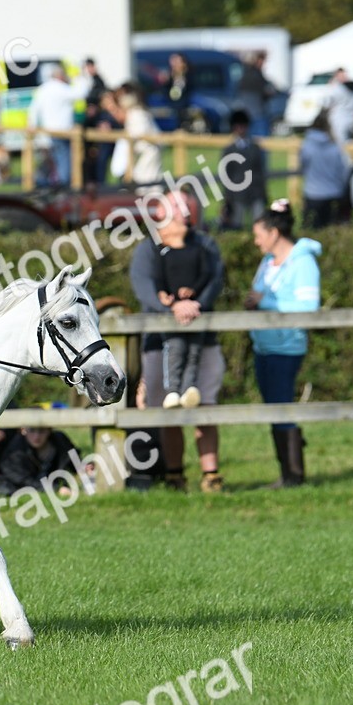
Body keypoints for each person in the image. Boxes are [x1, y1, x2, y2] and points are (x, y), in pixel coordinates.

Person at [129, 191, 226, 493]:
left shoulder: (205, 244)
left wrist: (196, 303)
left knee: (204, 404)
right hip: (160, 342)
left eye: (187, 204)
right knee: (167, 407)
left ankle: (211, 475)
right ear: (160, 213)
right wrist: (171, 308)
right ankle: (174, 474)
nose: (184, 209)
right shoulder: (148, 250)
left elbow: (215, 279)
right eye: (176, 204)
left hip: (203, 339)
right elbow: (144, 288)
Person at [245, 200, 321, 488]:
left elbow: (308, 306)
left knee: (281, 406)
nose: (256, 242)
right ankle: (288, 471)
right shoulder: (267, 263)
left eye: (259, 235)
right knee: (274, 406)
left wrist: (265, 301)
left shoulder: (303, 263)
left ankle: (293, 475)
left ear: (274, 232)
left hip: (286, 346)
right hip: (263, 346)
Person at [154, 231, 215, 409]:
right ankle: (172, 391)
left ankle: (189, 388)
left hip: (195, 313)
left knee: (194, 352)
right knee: (175, 349)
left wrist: (193, 290)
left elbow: (206, 274)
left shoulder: (199, 250)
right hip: (172, 314)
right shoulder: (163, 253)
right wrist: (164, 296)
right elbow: (158, 279)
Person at [27, 63, 90, 187]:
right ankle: (63, 185)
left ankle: (43, 183)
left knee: (50, 160)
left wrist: (32, 126)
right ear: (60, 76)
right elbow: (81, 93)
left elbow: (33, 110)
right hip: (62, 132)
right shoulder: (61, 88)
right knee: (64, 159)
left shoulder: (43, 89)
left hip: (48, 132)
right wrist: (80, 78)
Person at [106, 84, 162, 190]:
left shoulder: (138, 114)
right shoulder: (135, 114)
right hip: (141, 154)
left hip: (148, 153)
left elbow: (140, 135)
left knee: (147, 185)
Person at [300, 111, 350, 229]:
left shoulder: (307, 145)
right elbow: (343, 171)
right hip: (334, 193)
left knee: (311, 231)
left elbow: (303, 166)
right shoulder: (335, 146)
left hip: (313, 194)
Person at [219, 109, 267, 230]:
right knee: (236, 225)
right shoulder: (229, 150)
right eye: (238, 126)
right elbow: (226, 174)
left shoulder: (255, 147)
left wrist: (263, 192)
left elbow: (260, 171)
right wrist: (227, 197)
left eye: (243, 126)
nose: (241, 129)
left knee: (260, 224)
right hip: (237, 193)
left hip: (255, 191)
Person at [0, 426, 79, 496]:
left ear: (49, 430)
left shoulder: (59, 441)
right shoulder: (15, 452)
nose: (36, 436)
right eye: (32, 430)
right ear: (23, 430)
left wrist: (85, 467)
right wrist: (56, 489)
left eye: (41, 431)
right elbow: (24, 481)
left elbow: (75, 462)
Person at [237, 52, 275, 137]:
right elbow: (265, 90)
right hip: (256, 111)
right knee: (260, 136)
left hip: (249, 111)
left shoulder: (245, 74)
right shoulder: (255, 74)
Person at [325, 68, 353, 145]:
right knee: (350, 142)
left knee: (340, 143)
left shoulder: (336, 88)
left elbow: (327, 103)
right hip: (352, 118)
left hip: (341, 119)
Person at [165, 53, 193, 128]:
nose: (174, 65)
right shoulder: (169, 78)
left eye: (177, 62)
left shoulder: (189, 76)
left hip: (186, 107)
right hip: (172, 107)